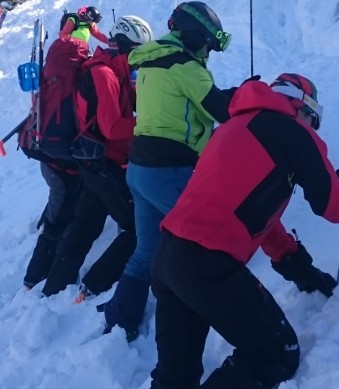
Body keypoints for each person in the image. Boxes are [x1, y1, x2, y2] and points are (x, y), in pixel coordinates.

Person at [149, 72, 339, 388]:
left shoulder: (231, 129)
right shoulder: (292, 132)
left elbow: (259, 219)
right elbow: (334, 206)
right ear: (302, 107)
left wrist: (302, 271)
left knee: (175, 377)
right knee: (277, 353)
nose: (313, 129)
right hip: (208, 264)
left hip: (169, 258)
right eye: (313, 121)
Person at [101, 1, 236, 341]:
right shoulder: (186, 67)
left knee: (146, 250)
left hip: (140, 170)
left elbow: (181, 107)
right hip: (167, 171)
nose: (208, 52)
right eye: (207, 44)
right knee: (208, 241)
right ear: (195, 36)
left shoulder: (149, 62)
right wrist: (245, 95)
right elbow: (222, 111)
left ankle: (121, 317)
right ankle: (215, 312)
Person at [40, 16, 154, 301]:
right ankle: (94, 286)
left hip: (93, 161)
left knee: (86, 225)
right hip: (104, 162)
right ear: (127, 46)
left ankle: (56, 286)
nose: (139, 60)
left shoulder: (112, 70)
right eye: (138, 52)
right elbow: (112, 127)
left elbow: (123, 107)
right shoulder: (104, 74)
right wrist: (148, 125)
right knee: (137, 228)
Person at [22, 160, 80, 290]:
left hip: (58, 164)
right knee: (55, 223)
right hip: (61, 169)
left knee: (60, 213)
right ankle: (35, 278)